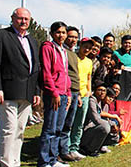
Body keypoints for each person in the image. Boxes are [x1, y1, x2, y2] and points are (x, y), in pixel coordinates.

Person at [0, 7, 41, 167]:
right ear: (12, 18)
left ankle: (15, 162)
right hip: (8, 91)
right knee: (8, 130)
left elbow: (35, 67)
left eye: (26, 19)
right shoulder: (1, 35)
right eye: (20, 18)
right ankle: (7, 163)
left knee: (20, 130)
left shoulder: (32, 40)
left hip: (27, 92)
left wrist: (36, 91)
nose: (23, 22)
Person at [38, 21, 72, 167]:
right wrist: (53, 92)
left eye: (63, 32)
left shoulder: (64, 50)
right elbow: (46, 72)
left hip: (64, 94)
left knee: (58, 129)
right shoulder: (48, 47)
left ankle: (53, 159)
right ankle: (44, 161)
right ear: (52, 33)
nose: (61, 35)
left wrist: (68, 93)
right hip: (54, 94)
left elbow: (65, 74)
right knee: (50, 129)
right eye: (58, 32)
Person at [68, 37, 94, 161]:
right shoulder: (73, 58)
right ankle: (65, 148)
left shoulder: (89, 61)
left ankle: (74, 147)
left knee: (79, 123)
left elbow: (89, 78)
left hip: (85, 96)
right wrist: (76, 94)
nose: (87, 49)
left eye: (90, 47)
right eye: (85, 46)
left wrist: (88, 91)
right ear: (80, 45)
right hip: (73, 94)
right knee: (69, 123)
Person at [58, 26, 82, 162]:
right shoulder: (62, 52)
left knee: (68, 124)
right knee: (59, 124)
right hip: (64, 92)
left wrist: (77, 94)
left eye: (75, 37)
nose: (73, 39)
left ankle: (64, 151)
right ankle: (56, 153)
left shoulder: (73, 54)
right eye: (71, 36)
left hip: (74, 92)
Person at [80, 84, 111, 157]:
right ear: (94, 91)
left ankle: (99, 146)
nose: (102, 92)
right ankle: (90, 149)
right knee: (105, 126)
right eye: (99, 90)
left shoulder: (100, 102)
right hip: (86, 131)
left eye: (104, 91)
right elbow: (96, 119)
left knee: (114, 136)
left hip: (93, 129)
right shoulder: (92, 100)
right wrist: (111, 124)